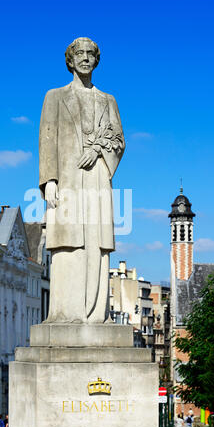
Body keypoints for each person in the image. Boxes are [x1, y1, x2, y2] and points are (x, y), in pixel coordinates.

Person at [39, 37, 125, 323]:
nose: (86, 58)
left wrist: (98, 149)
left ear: (96, 60)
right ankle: (65, 313)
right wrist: (49, 180)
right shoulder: (54, 96)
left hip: (98, 180)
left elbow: (119, 141)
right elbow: (47, 139)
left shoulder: (107, 99)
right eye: (80, 54)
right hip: (67, 181)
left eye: (91, 54)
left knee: (96, 243)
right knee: (68, 242)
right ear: (70, 60)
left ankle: (96, 314)